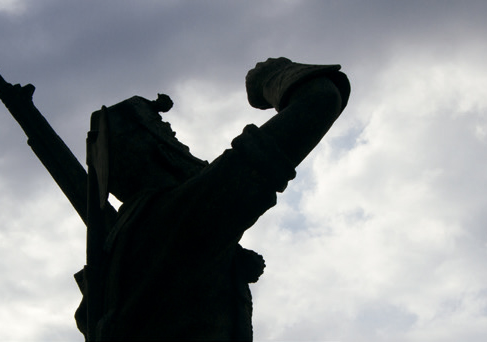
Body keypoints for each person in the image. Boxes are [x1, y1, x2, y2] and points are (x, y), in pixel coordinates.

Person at [73, 57, 350, 341]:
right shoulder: (179, 215)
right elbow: (320, 99)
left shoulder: (122, 245)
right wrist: (270, 77)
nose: (184, 146)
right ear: (159, 149)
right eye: (172, 136)